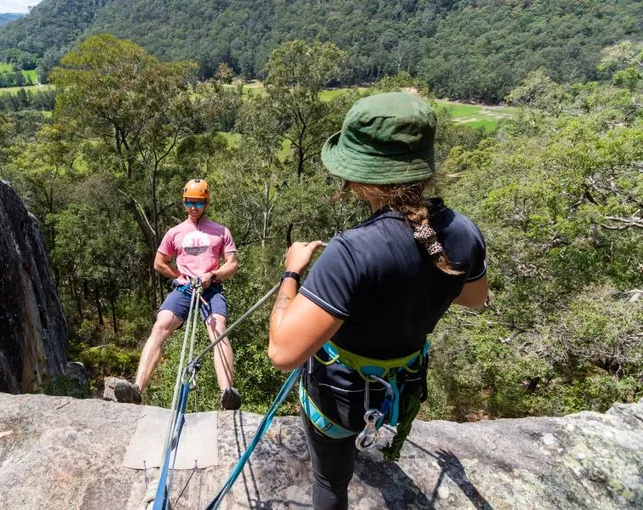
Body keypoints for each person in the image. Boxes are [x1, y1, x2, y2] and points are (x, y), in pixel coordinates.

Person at [267, 92, 489, 509]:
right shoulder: (463, 232)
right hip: (399, 391)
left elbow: (282, 352)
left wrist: (292, 273)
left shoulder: (352, 251)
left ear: (360, 176)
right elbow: (475, 298)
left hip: (340, 399)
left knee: (329, 482)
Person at [115, 178, 243, 410]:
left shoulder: (220, 231)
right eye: (189, 202)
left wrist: (212, 275)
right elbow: (158, 262)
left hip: (210, 288)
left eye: (199, 203)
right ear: (184, 203)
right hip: (184, 289)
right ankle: (136, 389)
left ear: (206, 203)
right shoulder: (175, 232)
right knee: (160, 325)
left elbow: (232, 264)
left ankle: (227, 394)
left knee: (219, 329)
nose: (194, 207)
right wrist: (179, 276)